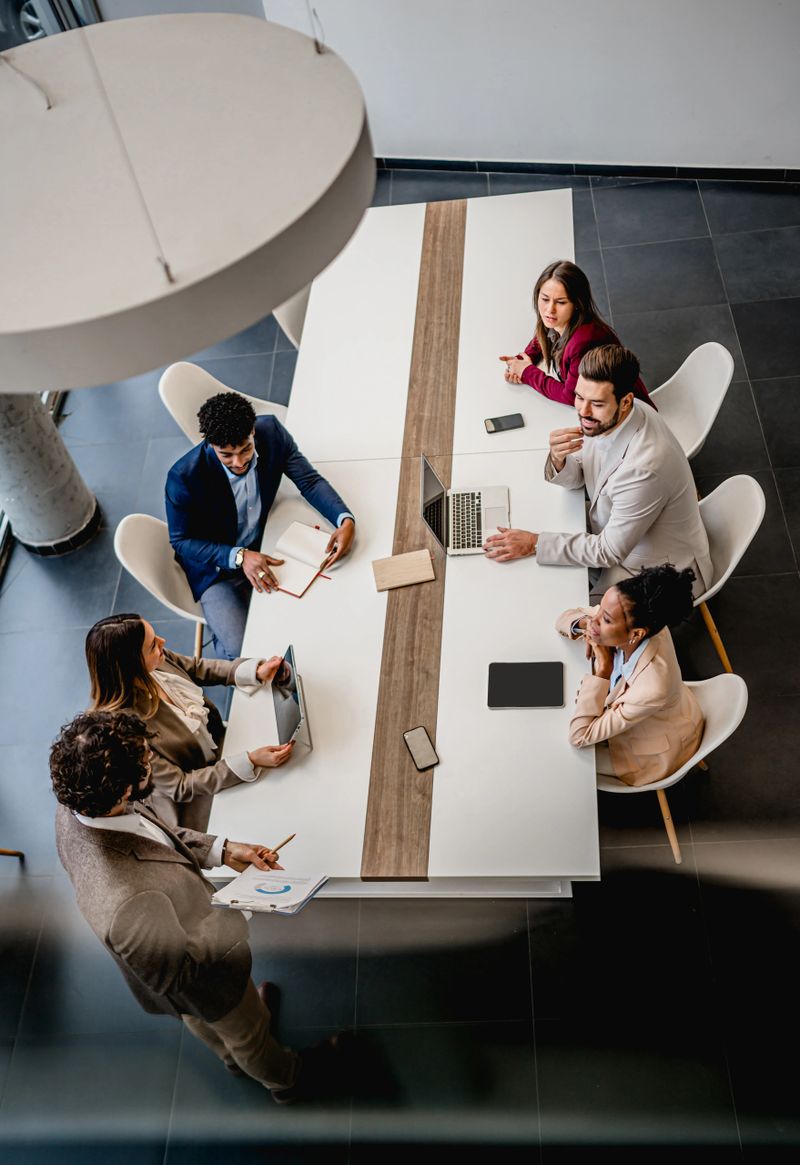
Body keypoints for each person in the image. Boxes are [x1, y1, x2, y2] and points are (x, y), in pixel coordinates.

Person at [50, 710, 309, 1100]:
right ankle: (286, 1079)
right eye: (145, 760)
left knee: (208, 1024)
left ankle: (232, 1054)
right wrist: (237, 906)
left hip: (178, 961)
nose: (151, 758)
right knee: (248, 1034)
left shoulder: (81, 804)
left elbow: (152, 833)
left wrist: (223, 849)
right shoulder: (125, 900)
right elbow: (175, 975)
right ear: (122, 790)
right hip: (205, 979)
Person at [484, 345, 713, 597]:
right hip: (614, 531)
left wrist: (534, 543)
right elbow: (586, 468)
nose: (583, 412)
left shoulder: (646, 468)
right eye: (580, 397)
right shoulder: (614, 414)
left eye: (596, 403)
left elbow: (607, 552)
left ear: (625, 401)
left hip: (656, 570)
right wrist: (560, 460)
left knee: (554, 601)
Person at [165, 391, 356, 658]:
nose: (239, 462)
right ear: (209, 445)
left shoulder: (272, 433)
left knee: (321, 607)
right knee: (241, 652)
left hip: (266, 540)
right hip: (217, 567)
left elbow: (309, 482)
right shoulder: (183, 477)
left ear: (253, 430)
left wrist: (344, 519)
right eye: (227, 455)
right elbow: (181, 541)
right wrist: (240, 557)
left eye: (245, 449)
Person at [86, 613, 294, 832]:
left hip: (220, 748)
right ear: (132, 665)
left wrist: (251, 671)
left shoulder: (157, 661)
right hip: (199, 796)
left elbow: (196, 668)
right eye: (152, 645)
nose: (162, 643)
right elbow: (180, 785)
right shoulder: (126, 732)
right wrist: (250, 761)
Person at [556, 564, 704, 786]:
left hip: (649, 751)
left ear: (635, 634)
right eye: (600, 610)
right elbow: (564, 619)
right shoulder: (644, 617)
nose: (596, 619)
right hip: (654, 711)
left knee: (561, 762)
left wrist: (603, 670)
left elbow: (580, 736)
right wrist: (588, 627)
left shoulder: (652, 688)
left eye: (605, 620)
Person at [499, 259, 652, 408]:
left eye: (561, 302)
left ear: (577, 304)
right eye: (545, 299)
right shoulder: (558, 320)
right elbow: (542, 337)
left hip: (624, 414)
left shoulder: (584, 342)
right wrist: (521, 361)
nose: (549, 309)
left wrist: (527, 372)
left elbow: (571, 396)